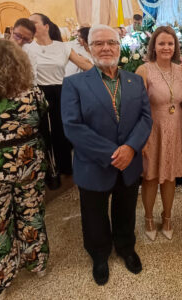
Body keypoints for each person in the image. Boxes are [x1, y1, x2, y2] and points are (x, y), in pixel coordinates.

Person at [61, 24, 152, 285]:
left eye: (111, 42)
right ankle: (99, 254)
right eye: (99, 43)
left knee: (126, 210)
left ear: (119, 46)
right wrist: (114, 153)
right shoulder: (74, 83)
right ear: (89, 48)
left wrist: (131, 148)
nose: (106, 48)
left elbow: (146, 118)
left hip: (130, 164)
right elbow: (72, 126)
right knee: (94, 214)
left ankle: (125, 246)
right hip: (94, 164)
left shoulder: (134, 80)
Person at [0, 39, 49, 299]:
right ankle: (36, 262)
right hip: (28, 163)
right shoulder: (34, 93)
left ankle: (0, 281)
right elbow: (43, 120)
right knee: (31, 212)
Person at [136, 26, 182, 241]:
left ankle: (167, 217)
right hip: (152, 129)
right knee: (150, 177)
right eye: (161, 43)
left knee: (170, 178)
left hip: (176, 129)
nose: (166, 47)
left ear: (175, 46)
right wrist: (141, 139)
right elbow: (138, 107)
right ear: (154, 46)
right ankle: (148, 218)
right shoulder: (144, 70)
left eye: (170, 43)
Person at [26, 13, 93, 180]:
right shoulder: (27, 48)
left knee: (63, 131)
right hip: (39, 92)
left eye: (34, 22)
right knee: (44, 132)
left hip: (61, 92)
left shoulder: (62, 47)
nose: (30, 25)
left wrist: (106, 76)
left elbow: (84, 64)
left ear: (46, 26)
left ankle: (65, 168)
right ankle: (49, 171)